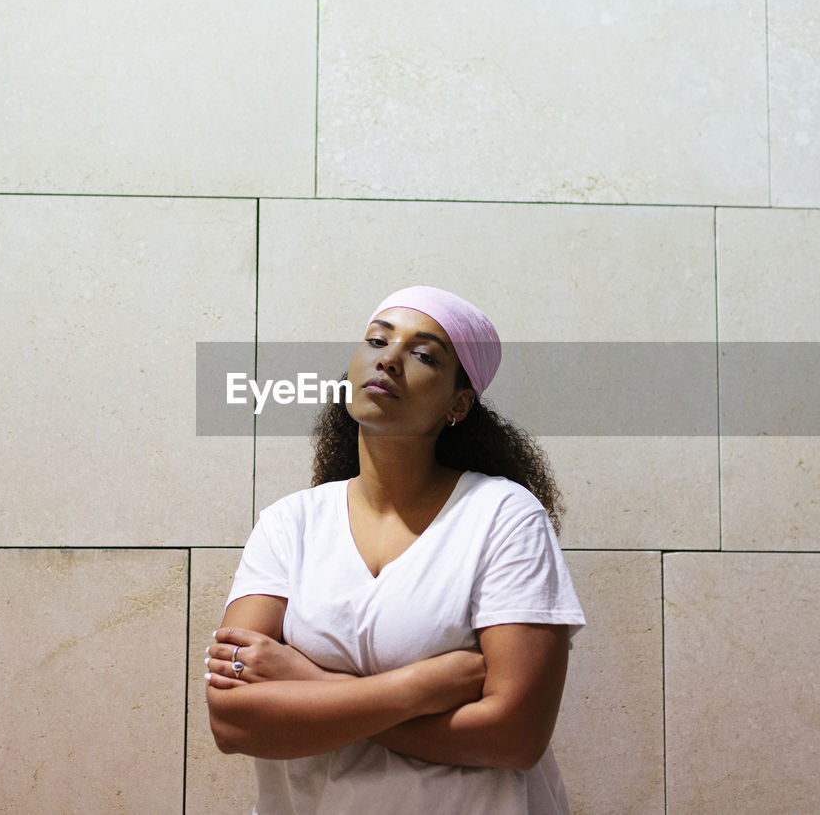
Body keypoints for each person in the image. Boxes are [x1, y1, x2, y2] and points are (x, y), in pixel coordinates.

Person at [205, 285, 586, 815]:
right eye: (376, 340)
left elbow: (516, 737)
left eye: (424, 353)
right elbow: (233, 721)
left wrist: (309, 685)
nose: (388, 358)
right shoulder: (289, 524)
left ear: (459, 402)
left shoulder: (503, 516)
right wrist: (419, 687)